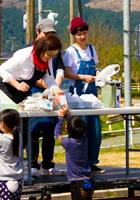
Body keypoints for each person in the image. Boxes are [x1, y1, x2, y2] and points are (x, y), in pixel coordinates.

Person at [63, 17, 105, 174]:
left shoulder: (92, 49)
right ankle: (82, 163)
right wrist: (83, 77)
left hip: (92, 93)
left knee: (95, 129)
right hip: (78, 95)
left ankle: (93, 162)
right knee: (81, 129)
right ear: (74, 35)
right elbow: (66, 72)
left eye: (85, 33)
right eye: (79, 34)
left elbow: (95, 67)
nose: (82, 37)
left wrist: (98, 73)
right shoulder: (71, 51)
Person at [27, 18, 66, 177]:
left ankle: (48, 164)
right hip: (34, 94)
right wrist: (48, 87)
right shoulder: (29, 49)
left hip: (52, 93)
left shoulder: (55, 48)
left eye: (52, 34)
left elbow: (60, 69)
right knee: (34, 130)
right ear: (38, 31)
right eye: (46, 33)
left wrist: (55, 87)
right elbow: (28, 75)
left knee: (51, 130)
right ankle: (32, 165)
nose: (48, 36)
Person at [55, 104, 95, 200]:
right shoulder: (85, 140)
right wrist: (68, 115)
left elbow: (57, 133)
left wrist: (60, 117)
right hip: (89, 180)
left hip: (77, 183)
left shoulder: (68, 143)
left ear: (67, 130)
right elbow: (75, 129)